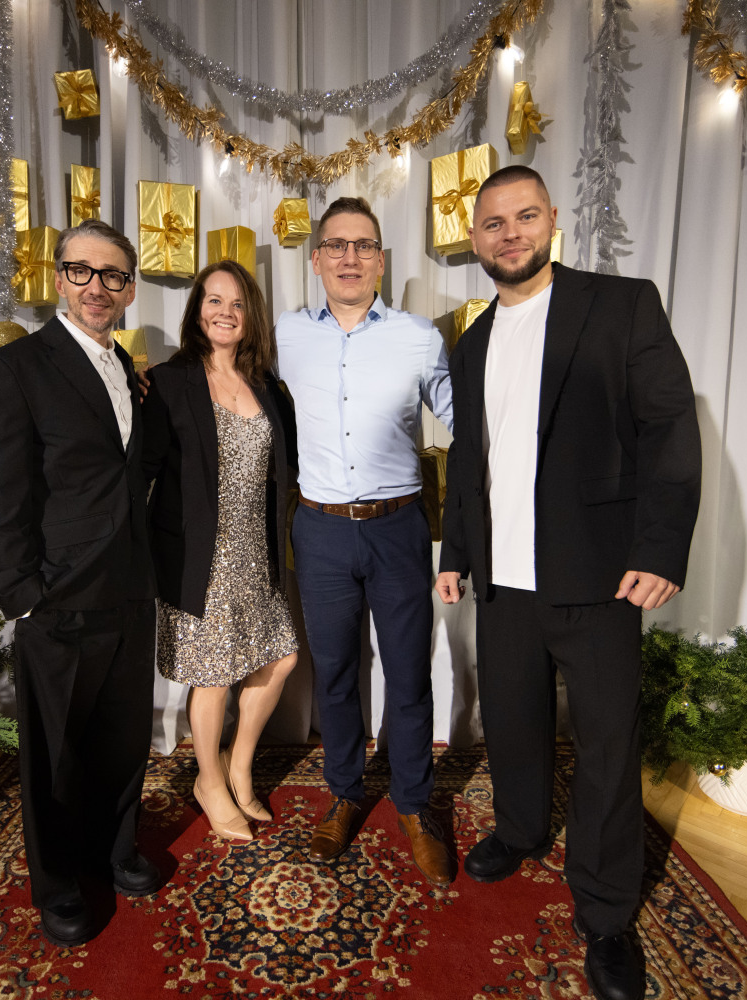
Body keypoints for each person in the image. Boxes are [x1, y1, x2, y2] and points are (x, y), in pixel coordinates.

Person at [435, 165, 701, 1000]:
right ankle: (520, 829)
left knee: (608, 747)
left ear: (552, 219)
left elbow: (669, 427)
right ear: (474, 239)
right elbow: (469, 459)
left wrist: (661, 548)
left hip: (599, 576)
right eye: (493, 223)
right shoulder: (471, 340)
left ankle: (608, 910)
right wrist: (454, 553)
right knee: (513, 723)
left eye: (524, 216)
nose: (509, 233)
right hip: (503, 582)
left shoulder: (621, 305)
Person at [0, 219, 164, 948]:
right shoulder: (15, 369)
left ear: (129, 289)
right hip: (58, 595)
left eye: (112, 275)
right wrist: (20, 591)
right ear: (58, 279)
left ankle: (116, 850)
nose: (96, 287)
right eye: (82, 271)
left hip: (130, 589)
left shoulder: (130, 372)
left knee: (123, 736)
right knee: (54, 751)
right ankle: (58, 883)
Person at [275, 196, 457, 887]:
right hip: (318, 529)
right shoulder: (285, 334)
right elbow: (225, 382)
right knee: (335, 672)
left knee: (408, 672)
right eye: (336, 245)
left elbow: (466, 419)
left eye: (363, 246)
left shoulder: (419, 337)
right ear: (316, 259)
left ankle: (413, 804)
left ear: (381, 260)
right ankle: (346, 793)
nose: (349, 257)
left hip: (398, 528)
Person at [142, 260, 300, 843]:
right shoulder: (167, 381)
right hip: (197, 556)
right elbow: (143, 472)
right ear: (196, 310)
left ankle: (238, 765)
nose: (225, 312)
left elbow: (289, 467)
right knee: (211, 677)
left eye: (236, 304)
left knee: (280, 658)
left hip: (257, 550)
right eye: (214, 300)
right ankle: (208, 782)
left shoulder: (267, 386)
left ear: (250, 315)